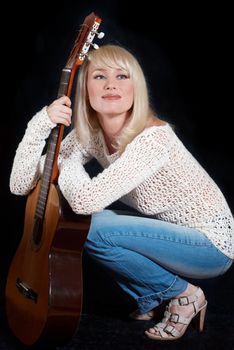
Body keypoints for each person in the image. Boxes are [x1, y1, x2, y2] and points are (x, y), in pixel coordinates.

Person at [10, 44, 234, 341]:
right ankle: (151, 297)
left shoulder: (154, 139)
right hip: (172, 235)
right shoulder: (91, 134)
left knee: (93, 227)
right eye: (99, 76)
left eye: (122, 76)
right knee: (84, 227)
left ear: (136, 88)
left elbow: (84, 200)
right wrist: (42, 123)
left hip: (212, 246)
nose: (111, 84)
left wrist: (66, 162)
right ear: (85, 88)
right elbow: (20, 184)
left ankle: (185, 296)